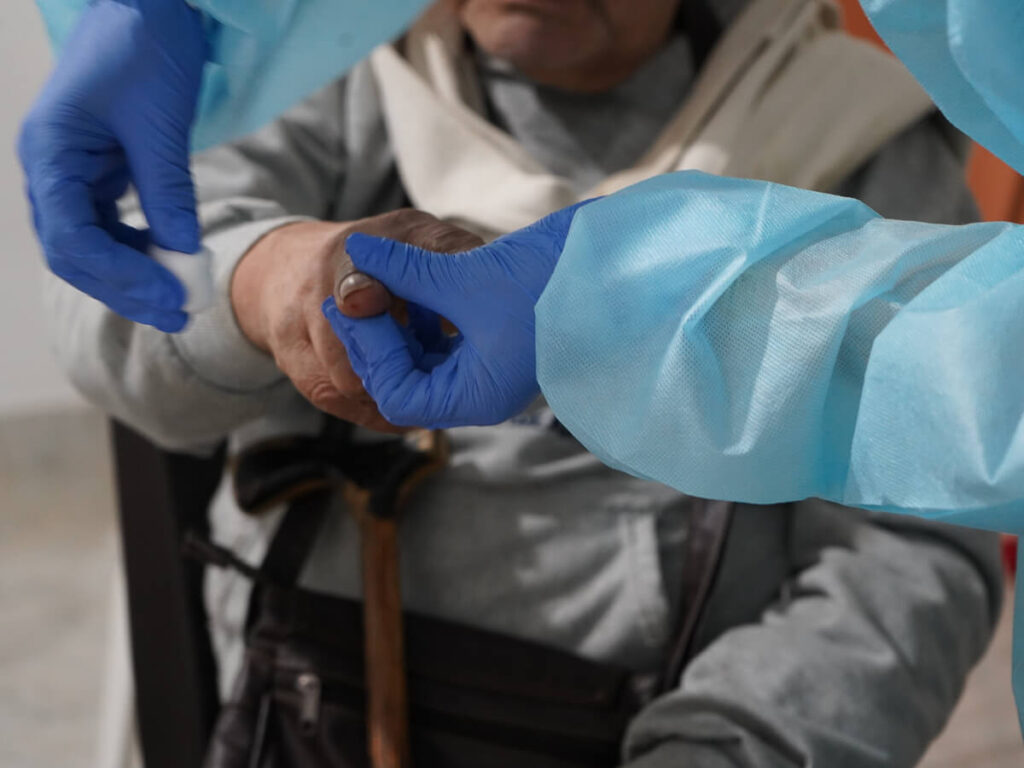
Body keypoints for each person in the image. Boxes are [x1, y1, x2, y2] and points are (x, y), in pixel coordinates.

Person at [47, 0, 1002, 764]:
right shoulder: (349, 73)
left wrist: (731, 744)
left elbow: (913, 548)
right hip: (312, 696)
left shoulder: (854, 131)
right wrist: (272, 278)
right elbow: (118, 314)